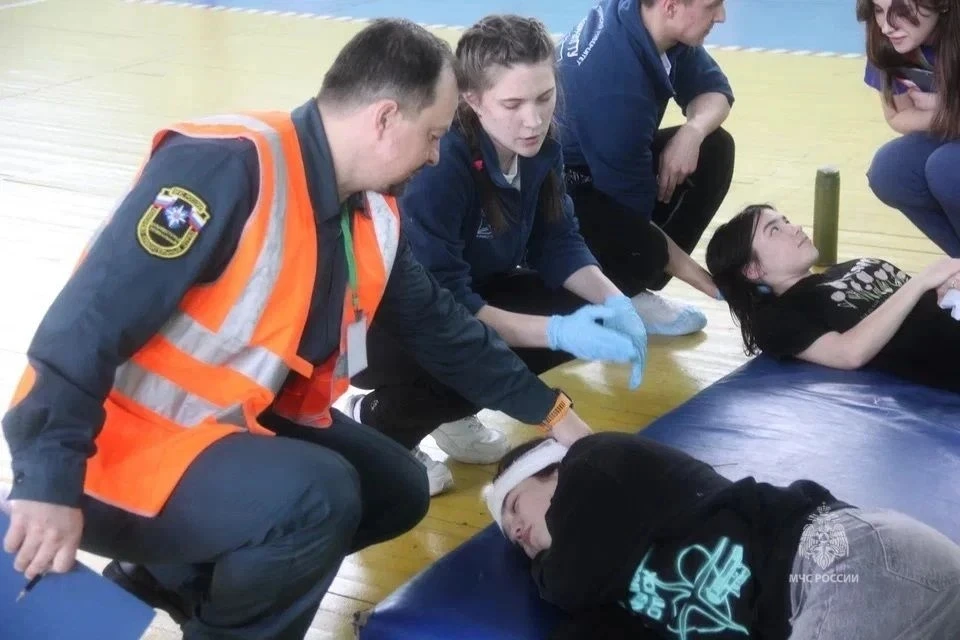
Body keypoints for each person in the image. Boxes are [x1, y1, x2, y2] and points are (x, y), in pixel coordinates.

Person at [0, 19, 598, 640]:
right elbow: (84, 327)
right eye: (432, 135)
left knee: (396, 487)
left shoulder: (369, 209)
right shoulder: (226, 170)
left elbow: (442, 328)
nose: (434, 155)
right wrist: (47, 482)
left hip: (222, 430)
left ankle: (166, 576)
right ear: (385, 118)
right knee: (318, 497)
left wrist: (554, 414)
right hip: (109, 454)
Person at [348, 15, 648, 496]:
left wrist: (617, 303)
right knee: (513, 336)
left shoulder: (538, 146)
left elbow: (557, 240)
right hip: (379, 327)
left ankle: (452, 411)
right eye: (513, 104)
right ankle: (379, 423)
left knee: (576, 306)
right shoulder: (439, 164)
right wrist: (553, 338)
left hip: (459, 298)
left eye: (545, 97)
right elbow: (441, 308)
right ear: (472, 99)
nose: (534, 119)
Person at [484, 432, 960, 639]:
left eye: (515, 506)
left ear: (551, 471)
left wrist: (541, 568)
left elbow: (566, 582)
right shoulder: (614, 586)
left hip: (844, 564)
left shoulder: (594, 461)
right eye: (513, 537)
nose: (519, 531)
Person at [553, 0, 736, 334]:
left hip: (599, 160)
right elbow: (633, 221)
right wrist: (715, 288)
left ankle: (639, 271)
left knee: (714, 146)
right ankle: (622, 289)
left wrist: (692, 132)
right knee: (626, 227)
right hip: (555, 193)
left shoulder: (643, 20)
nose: (721, 16)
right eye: (712, 6)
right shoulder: (615, 90)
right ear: (670, 7)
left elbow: (716, 91)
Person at [704, 203, 960, 392]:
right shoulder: (779, 315)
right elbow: (849, 353)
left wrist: (945, 285)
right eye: (775, 230)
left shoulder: (847, 267)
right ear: (753, 269)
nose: (795, 228)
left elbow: (917, 298)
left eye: (786, 221)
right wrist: (921, 282)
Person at [858, 0, 960, 255]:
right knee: (891, 170)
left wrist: (944, 105)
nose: (886, 26)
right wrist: (946, 113)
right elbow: (898, 116)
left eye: (901, 11)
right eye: (879, 10)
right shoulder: (887, 43)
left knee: (947, 168)